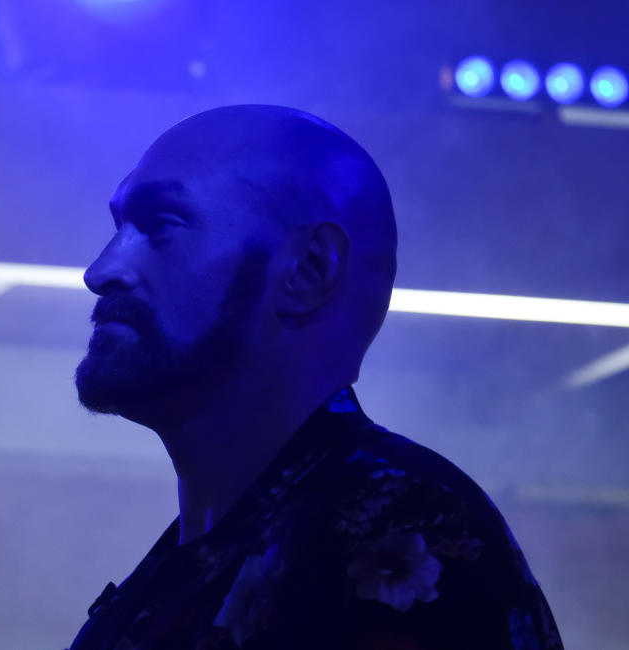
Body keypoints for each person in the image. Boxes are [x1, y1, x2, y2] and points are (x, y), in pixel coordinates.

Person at [68, 105, 562, 650]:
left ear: (308, 270)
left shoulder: (400, 520)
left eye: (161, 225)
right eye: (120, 228)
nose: (101, 271)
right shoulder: (230, 543)